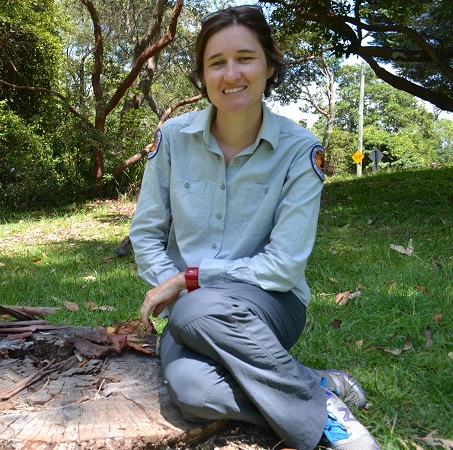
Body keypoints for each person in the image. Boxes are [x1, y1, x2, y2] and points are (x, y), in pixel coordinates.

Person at [129, 5, 378, 450]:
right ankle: (316, 389)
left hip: (268, 303)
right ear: (202, 75)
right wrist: (174, 282)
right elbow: (146, 233)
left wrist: (190, 280)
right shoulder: (173, 140)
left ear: (269, 65)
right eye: (216, 62)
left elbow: (283, 267)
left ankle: (321, 419)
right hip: (192, 310)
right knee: (191, 390)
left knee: (192, 309)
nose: (231, 74)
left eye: (245, 57)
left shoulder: (300, 151)